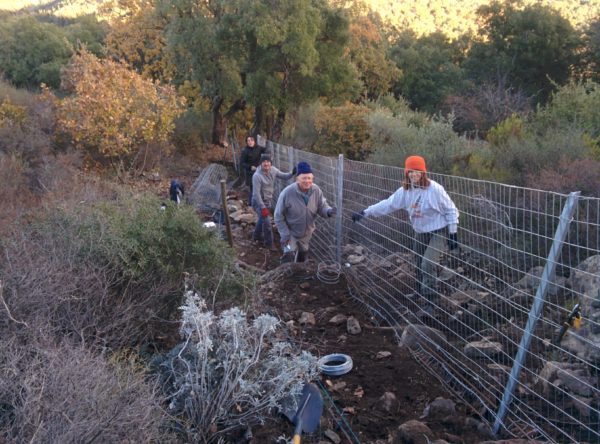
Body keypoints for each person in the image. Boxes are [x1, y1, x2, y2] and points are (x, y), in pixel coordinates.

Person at [352, 155, 459, 311]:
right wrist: (365, 212)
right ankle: (419, 291)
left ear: (423, 173)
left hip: (439, 230)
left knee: (427, 264)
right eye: (410, 172)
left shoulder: (434, 189)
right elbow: (388, 204)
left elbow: (451, 209)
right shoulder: (405, 191)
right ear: (406, 173)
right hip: (421, 231)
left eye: (417, 171)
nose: (413, 175)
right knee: (417, 260)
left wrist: (453, 233)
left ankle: (431, 301)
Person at [274, 161, 336, 262]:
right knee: (288, 257)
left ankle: (300, 276)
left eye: (309, 178)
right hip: (291, 234)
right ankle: (286, 276)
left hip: (306, 234)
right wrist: (285, 234)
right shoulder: (287, 193)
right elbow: (278, 215)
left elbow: (322, 206)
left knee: (302, 259)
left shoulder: (316, 190)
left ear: (312, 178)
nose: (307, 181)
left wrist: (328, 211)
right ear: (297, 179)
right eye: (304, 178)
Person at [251, 154, 296, 251]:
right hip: (258, 202)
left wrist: (292, 172)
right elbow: (256, 194)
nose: (266, 164)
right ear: (261, 163)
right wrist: (263, 208)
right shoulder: (257, 176)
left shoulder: (273, 170)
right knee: (267, 223)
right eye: (264, 162)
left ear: (270, 163)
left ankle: (256, 236)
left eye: (268, 162)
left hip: (267, 201)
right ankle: (269, 244)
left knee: (261, 219)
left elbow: (284, 176)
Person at [239, 135, 267, 205]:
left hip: (259, 171)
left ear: (254, 141)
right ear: (246, 142)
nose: (250, 142)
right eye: (248, 141)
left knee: (260, 187)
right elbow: (242, 163)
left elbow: (267, 150)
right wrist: (250, 167)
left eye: (251, 140)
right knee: (253, 188)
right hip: (250, 173)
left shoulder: (259, 148)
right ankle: (251, 203)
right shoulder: (245, 151)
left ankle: (259, 202)